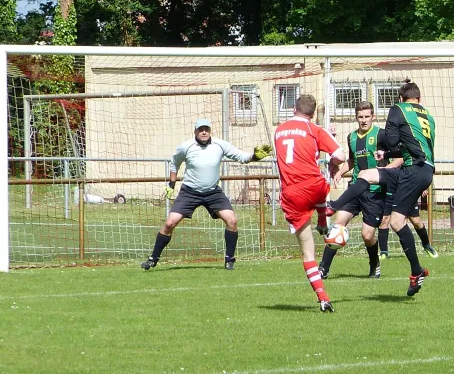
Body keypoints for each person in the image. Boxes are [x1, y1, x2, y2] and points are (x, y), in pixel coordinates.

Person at [326, 80, 435, 296]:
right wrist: (388, 154)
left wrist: (388, 149)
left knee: (394, 219)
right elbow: (413, 147)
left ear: (401, 100)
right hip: (425, 170)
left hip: (411, 170)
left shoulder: (398, 109)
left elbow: (393, 140)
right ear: (419, 100)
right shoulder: (428, 117)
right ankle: (416, 271)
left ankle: (333, 205)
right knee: (392, 214)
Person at [141, 118, 272, 271]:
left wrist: (255, 156)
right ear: (195, 131)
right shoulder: (185, 147)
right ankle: (153, 259)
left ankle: (229, 260)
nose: (204, 132)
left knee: (232, 221)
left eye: (207, 129)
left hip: (213, 192)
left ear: (210, 131)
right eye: (200, 129)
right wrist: (171, 183)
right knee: (169, 223)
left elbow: (241, 157)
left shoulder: (220, 145)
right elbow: (174, 163)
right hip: (189, 192)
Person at [274, 94, 346, 313]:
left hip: (292, 193)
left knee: (308, 252)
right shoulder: (315, 130)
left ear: (294, 109)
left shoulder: (279, 130)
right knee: (320, 188)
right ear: (313, 114)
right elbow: (341, 156)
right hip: (315, 187)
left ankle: (323, 297)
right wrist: (332, 163)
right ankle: (323, 221)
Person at [318, 101, 396, 280]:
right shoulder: (351, 137)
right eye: (360, 117)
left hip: (375, 191)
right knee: (337, 226)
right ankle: (324, 268)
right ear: (356, 118)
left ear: (373, 117)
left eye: (367, 116)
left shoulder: (381, 135)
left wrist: (386, 172)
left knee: (367, 235)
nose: (364, 120)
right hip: (355, 189)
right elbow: (352, 162)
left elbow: (396, 157)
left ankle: (374, 263)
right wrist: (340, 171)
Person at [377, 156, 438, 260]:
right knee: (384, 218)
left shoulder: (406, 145)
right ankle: (383, 252)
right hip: (390, 187)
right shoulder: (384, 145)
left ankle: (427, 245)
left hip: (406, 187)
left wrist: (423, 186)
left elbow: (403, 159)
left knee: (416, 221)